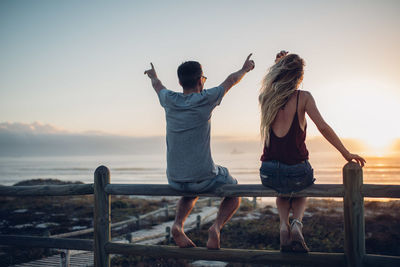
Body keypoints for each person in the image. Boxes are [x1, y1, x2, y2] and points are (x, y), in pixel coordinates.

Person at [258, 51, 366, 253]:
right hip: (297, 171)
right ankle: (297, 224)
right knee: (302, 186)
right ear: (299, 76)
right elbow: (323, 127)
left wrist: (278, 66)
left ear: (278, 72)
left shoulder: (265, 97)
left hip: (268, 172)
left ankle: (283, 226)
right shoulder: (303, 97)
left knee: (282, 190)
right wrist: (346, 153)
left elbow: (272, 85)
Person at [144, 54, 255, 249]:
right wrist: (245, 68)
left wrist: (153, 75)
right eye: (203, 79)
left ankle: (178, 225)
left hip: (175, 179)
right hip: (204, 178)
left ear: (179, 81)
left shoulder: (169, 99)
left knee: (190, 190)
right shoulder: (206, 98)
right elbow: (230, 80)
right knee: (235, 190)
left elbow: (157, 85)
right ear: (200, 80)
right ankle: (216, 228)